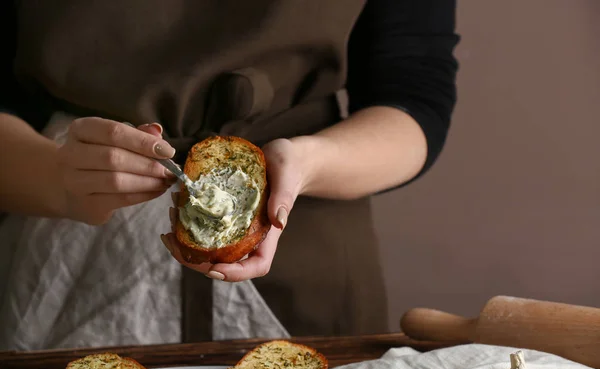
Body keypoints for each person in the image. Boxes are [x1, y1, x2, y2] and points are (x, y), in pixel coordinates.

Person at [0, 0, 459, 350]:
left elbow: (415, 98)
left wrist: (307, 163)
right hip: (64, 253)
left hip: (304, 260)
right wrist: (55, 177)